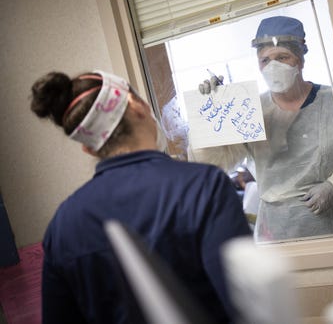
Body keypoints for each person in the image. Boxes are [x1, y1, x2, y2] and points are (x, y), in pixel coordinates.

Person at [30, 70, 252, 323]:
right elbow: (246, 304)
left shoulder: (62, 225)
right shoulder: (204, 186)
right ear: (136, 106)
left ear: (88, 147)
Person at [190, 16, 333, 242]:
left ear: (300, 59)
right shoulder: (249, 111)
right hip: (280, 233)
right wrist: (208, 113)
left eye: (282, 57)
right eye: (265, 60)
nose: (273, 66)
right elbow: (212, 165)